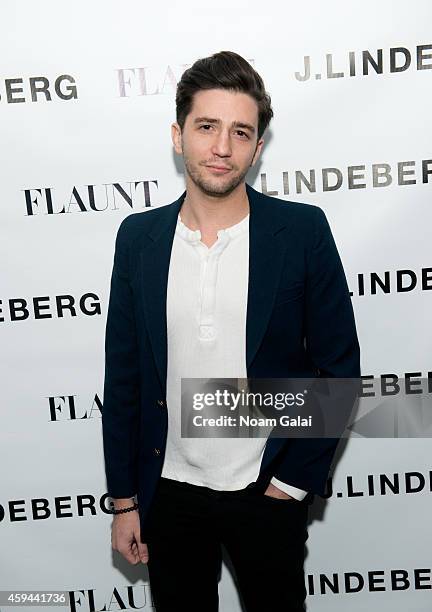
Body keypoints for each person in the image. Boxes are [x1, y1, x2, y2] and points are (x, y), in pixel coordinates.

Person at [102, 50, 360, 612]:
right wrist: (124, 502)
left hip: (265, 489)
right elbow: (124, 379)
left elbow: (339, 372)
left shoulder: (302, 232)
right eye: (207, 127)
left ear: (257, 147)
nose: (222, 147)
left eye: (240, 132)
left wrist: (290, 485)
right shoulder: (138, 238)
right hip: (167, 494)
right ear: (179, 135)